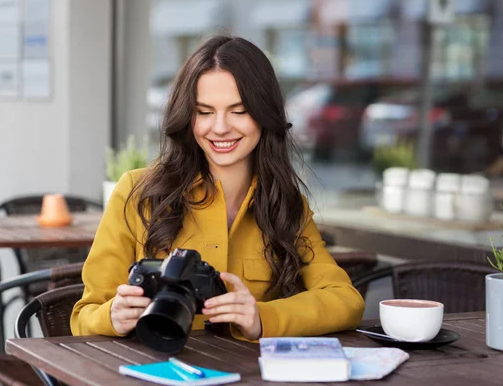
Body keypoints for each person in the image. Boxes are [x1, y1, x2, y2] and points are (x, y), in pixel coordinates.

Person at [71, 35, 365, 342]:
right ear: (188, 117)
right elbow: (83, 316)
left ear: (264, 114)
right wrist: (113, 316)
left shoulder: (286, 206)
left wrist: (261, 318)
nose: (221, 127)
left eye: (238, 111)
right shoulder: (137, 192)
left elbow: (346, 300)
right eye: (205, 112)